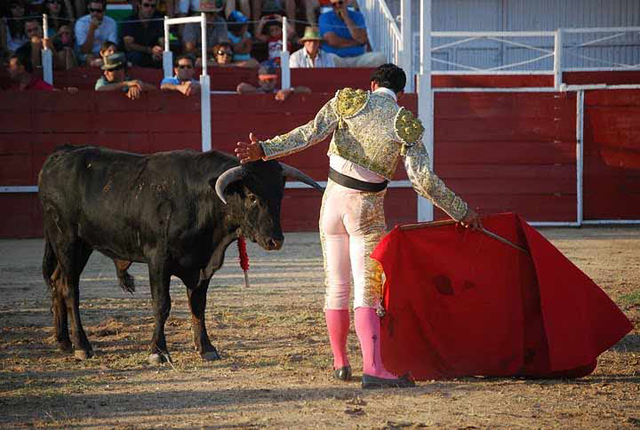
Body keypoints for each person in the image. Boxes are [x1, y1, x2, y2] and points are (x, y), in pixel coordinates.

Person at [235, 64, 481, 389]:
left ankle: (340, 362)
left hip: (331, 204)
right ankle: (374, 368)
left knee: (336, 284)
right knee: (367, 288)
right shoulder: (404, 123)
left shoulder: (349, 100)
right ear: (400, 93)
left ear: (373, 84)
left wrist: (264, 149)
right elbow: (423, 181)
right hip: (365, 209)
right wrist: (460, 210)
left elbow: (309, 133)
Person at [318, 0, 385, 67]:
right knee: (330, 59)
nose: (338, 6)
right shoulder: (324, 17)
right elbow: (332, 41)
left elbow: (362, 39)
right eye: (334, 4)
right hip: (338, 58)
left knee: (379, 57)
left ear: (346, 2)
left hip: (358, 57)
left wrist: (346, 18)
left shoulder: (358, 16)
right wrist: (356, 42)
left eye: (340, 2)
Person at [121, 0, 164, 68]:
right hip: (136, 54)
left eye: (153, 6)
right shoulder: (130, 21)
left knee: (167, 57)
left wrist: (159, 51)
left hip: (153, 54)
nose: (150, 9)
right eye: (146, 5)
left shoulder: (158, 21)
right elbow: (128, 45)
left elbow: (162, 41)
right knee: (136, 56)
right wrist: (149, 50)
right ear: (139, 5)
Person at [237, 63, 310, 101]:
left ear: (275, 81)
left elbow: (307, 90)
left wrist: (290, 90)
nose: (267, 83)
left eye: (270, 80)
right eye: (264, 80)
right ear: (259, 81)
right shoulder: (255, 91)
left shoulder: (280, 92)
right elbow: (241, 88)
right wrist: (256, 91)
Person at [75, 0, 117, 64]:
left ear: (104, 11)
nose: (95, 13)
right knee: (92, 60)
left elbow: (112, 46)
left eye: (99, 11)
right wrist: (92, 29)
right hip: (87, 54)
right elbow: (85, 50)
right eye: (92, 10)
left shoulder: (111, 22)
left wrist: (103, 56)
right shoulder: (81, 22)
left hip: (105, 53)